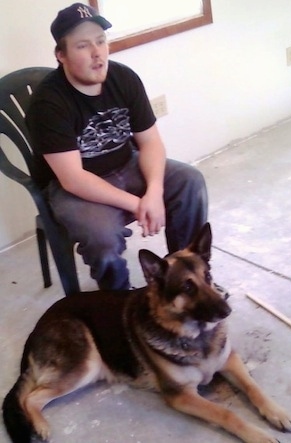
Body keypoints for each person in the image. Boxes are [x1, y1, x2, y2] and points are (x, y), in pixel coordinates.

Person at [26, 2, 209, 291]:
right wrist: (140, 204)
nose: (97, 53)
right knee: (101, 237)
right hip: (77, 187)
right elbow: (73, 179)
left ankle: (186, 279)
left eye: (101, 41)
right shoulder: (48, 103)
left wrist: (154, 192)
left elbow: (151, 142)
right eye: (83, 46)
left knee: (190, 182)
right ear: (61, 55)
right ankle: (118, 302)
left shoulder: (123, 78)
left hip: (126, 163)